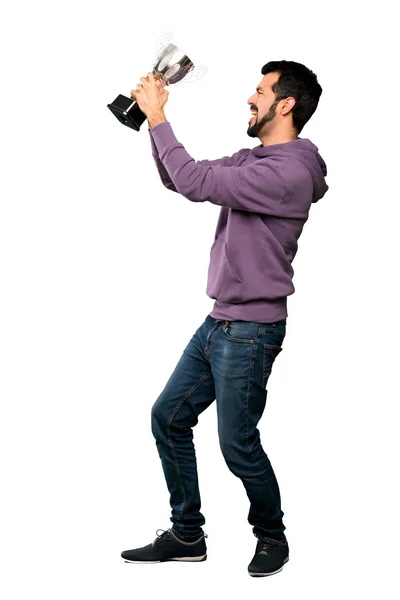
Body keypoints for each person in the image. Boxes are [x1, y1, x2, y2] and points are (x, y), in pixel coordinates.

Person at [121, 60, 329, 577]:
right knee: (167, 417)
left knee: (238, 445)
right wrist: (151, 120)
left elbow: (194, 182)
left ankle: (271, 535)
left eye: (259, 92)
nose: (250, 99)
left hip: (252, 331)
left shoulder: (287, 173)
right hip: (219, 321)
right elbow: (182, 178)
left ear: (285, 104)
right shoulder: (256, 159)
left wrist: (160, 117)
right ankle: (187, 535)